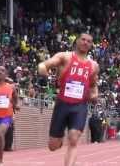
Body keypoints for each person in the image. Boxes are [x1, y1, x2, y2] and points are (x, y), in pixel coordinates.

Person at [38, 33, 99, 166]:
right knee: (53, 145)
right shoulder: (64, 56)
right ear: (77, 41)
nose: (85, 42)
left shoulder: (93, 65)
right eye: (83, 39)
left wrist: (94, 95)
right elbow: (44, 65)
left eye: (89, 41)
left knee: (74, 137)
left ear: (91, 45)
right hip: (62, 104)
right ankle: (59, 139)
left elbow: (94, 86)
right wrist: (43, 70)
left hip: (80, 106)